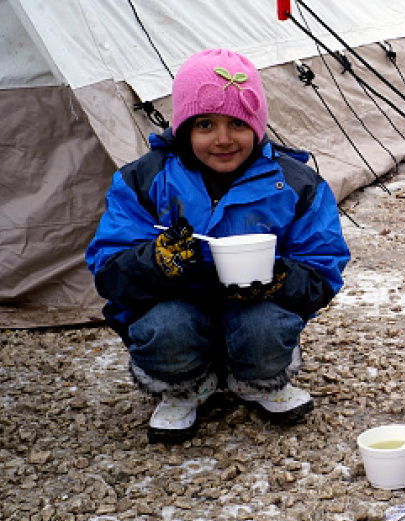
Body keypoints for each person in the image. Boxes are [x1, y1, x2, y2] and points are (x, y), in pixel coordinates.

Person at [86, 49, 350, 444]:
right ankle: (185, 386)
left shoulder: (295, 184)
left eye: (238, 124)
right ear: (184, 128)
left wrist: (281, 278)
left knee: (265, 326)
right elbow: (109, 268)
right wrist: (156, 260)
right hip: (172, 304)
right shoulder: (144, 180)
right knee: (165, 329)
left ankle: (257, 381)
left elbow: (323, 265)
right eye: (205, 124)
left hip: (253, 307)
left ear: (257, 127)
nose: (223, 139)